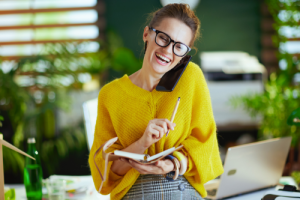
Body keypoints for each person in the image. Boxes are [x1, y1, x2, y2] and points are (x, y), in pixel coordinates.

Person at [88, 3, 223, 200]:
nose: (168, 51)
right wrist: (141, 144)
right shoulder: (111, 94)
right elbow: (104, 171)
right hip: (134, 193)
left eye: (179, 47)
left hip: (181, 186)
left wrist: (172, 163)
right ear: (147, 34)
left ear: (185, 54)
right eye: (163, 38)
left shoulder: (191, 78)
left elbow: (206, 145)